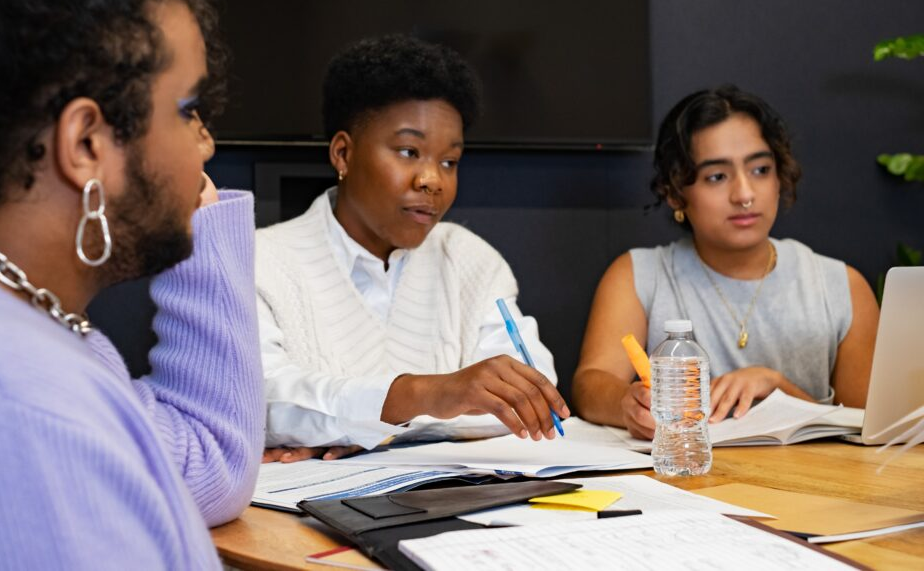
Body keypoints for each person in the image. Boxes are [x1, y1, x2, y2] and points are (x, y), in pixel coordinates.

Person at [0, 0, 262, 567]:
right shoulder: (23, 421)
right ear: (87, 143)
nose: (204, 144)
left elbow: (203, 459)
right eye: (186, 109)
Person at [257, 34, 569, 462]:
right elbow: (259, 401)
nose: (433, 180)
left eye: (449, 162)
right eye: (408, 151)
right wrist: (431, 394)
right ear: (343, 154)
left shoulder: (470, 260)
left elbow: (532, 397)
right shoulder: (262, 261)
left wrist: (365, 430)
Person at [572, 85, 879, 439]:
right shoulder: (638, 275)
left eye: (761, 169)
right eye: (717, 176)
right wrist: (627, 403)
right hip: (687, 483)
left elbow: (868, 431)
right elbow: (591, 384)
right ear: (674, 193)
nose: (745, 194)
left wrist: (778, 391)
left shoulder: (841, 285)